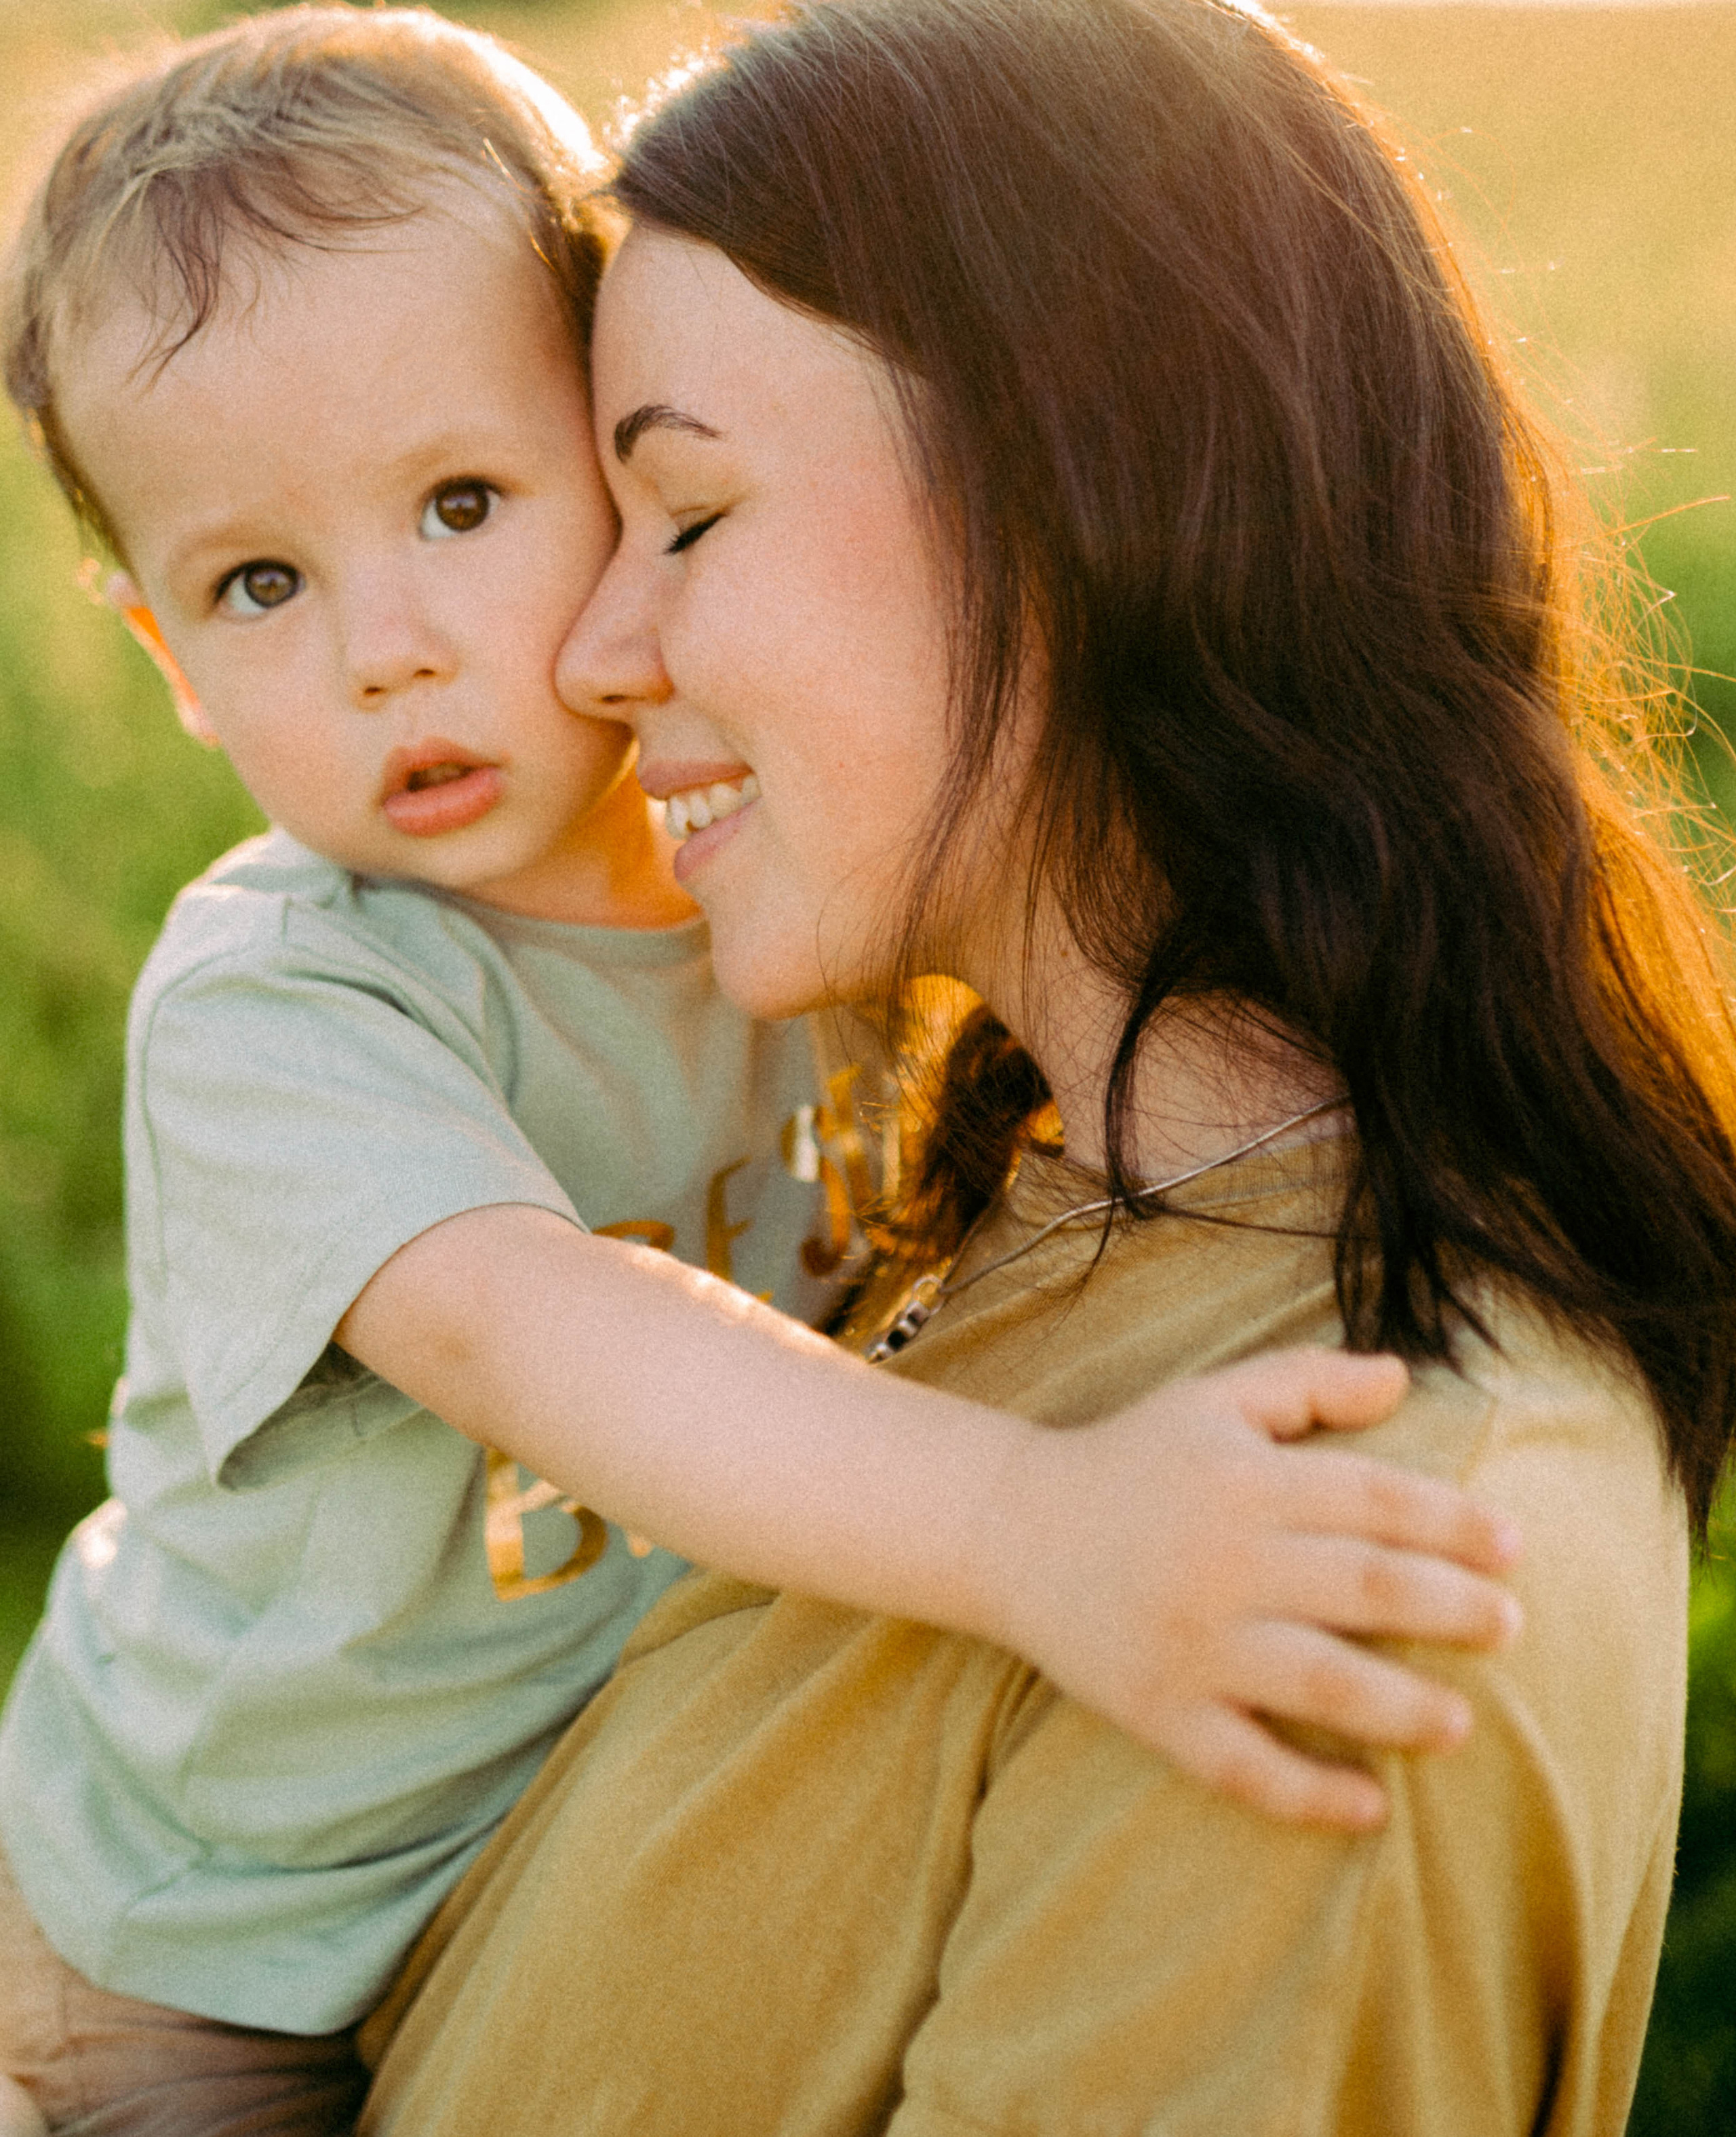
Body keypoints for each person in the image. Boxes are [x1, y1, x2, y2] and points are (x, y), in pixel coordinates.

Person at [0, 9, 1525, 2135]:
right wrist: (1050, 1531)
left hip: (523, 1859)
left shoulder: (782, 864)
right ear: (166, 666)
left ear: (626, 482)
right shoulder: (281, 1008)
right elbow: (545, 1336)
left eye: (461, 500)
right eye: (257, 583)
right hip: (204, 1957)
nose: (385, 644)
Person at [352, 1, 1736, 2132]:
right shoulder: (987, 1218)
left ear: (1085, 492)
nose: (589, 655)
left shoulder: (1356, 1545)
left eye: (689, 514)